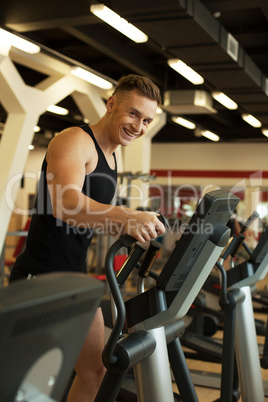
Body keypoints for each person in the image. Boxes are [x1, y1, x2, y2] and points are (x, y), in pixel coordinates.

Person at [9, 74, 166, 402]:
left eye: (147, 120)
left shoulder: (112, 156)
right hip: (42, 277)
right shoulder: (74, 140)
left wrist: (129, 228)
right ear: (111, 104)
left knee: (95, 371)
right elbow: (65, 204)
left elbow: (88, 216)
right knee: (28, 381)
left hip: (75, 278)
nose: (139, 126)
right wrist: (125, 216)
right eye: (133, 114)